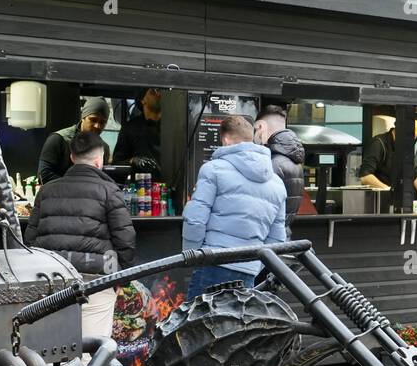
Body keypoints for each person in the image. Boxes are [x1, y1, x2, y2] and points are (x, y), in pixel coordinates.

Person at [24, 131, 136, 342]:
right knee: (92, 353)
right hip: (96, 282)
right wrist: (122, 278)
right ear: (99, 160)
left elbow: (29, 240)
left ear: (72, 158)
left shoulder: (46, 191)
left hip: (52, 281)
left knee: (52, 350)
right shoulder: (110, 191)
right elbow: (126, 240)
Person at [183, 115, 286, 297]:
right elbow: (277, 239)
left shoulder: (213, 169)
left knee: (197, 323)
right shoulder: (277, 183)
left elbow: (195, 219)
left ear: (225, 139)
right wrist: (252, 262)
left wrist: (192, 257)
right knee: (235, 324)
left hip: (212, 262)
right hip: (249, 270)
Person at [358, 118, 417, 206]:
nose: (411, 141)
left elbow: (415, 174)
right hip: (376, 203)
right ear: (398, 131)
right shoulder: (378, 143)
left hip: (397, 202)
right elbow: (365, 176)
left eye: (413, 138)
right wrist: (388, 190)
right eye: (410, 137)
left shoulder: (403, 149)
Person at [253, 105, 305, 233]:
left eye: (255, 130)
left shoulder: (271, 162)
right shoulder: (293, 159)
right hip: (283, 232)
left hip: (267, 236)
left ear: (260, 128)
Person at [37, 96, 110, 185]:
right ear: (83, 117)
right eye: (93, 120)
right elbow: (44, 175)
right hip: (60, 196)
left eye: (102, 122)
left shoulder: (103, 148)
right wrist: (75, 188)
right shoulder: (59, 139)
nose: (97, 126)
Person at [114, 88, 162, 176]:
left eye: (160, 90)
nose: (159, 94)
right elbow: (117, 162)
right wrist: (134, 160)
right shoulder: (130, 128)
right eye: (153, 91)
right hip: (141, 186)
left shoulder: (173, 126)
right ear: (142, 100)